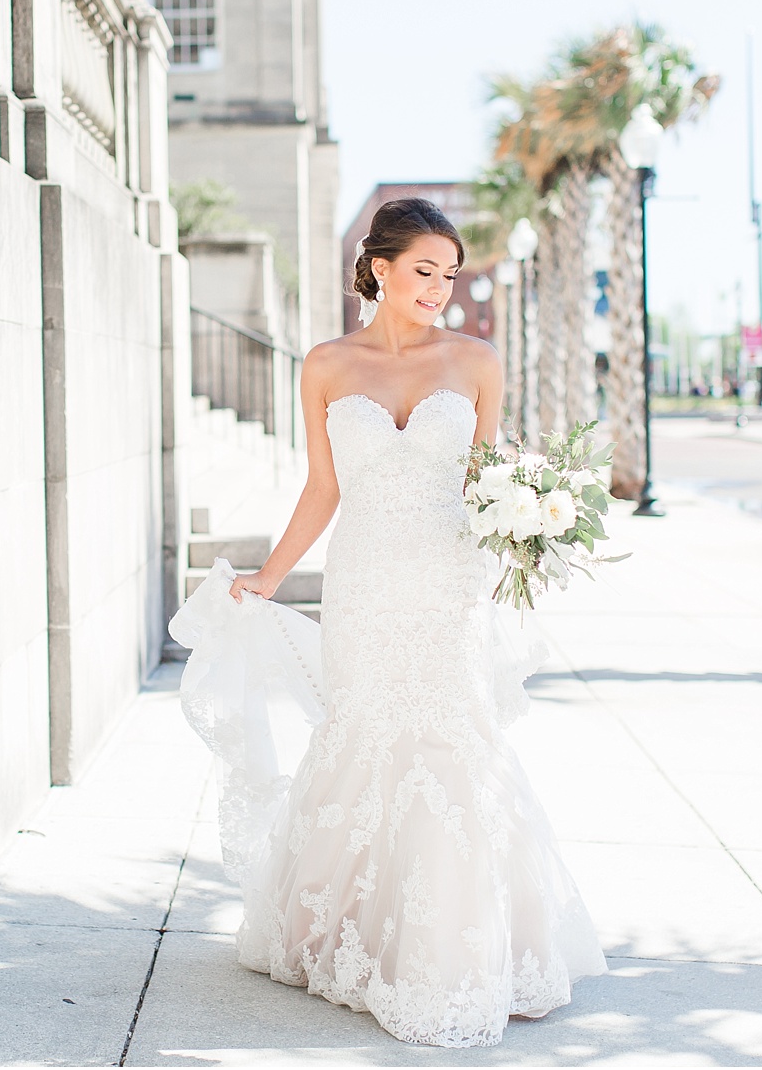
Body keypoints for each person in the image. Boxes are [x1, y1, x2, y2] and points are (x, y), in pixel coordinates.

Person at [177, 198, 607, 1048]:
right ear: (378, 267)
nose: (440, 289)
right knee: (363, 733)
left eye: (450, 275)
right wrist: (269, 576)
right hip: (366, 586)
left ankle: (456, 948)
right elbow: (323, 488)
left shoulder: (477, 360)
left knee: (451, 740)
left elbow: (488, 481)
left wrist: (529, 527)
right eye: (424, 271)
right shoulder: (328, 365)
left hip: (449, 586)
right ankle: (347, 932)